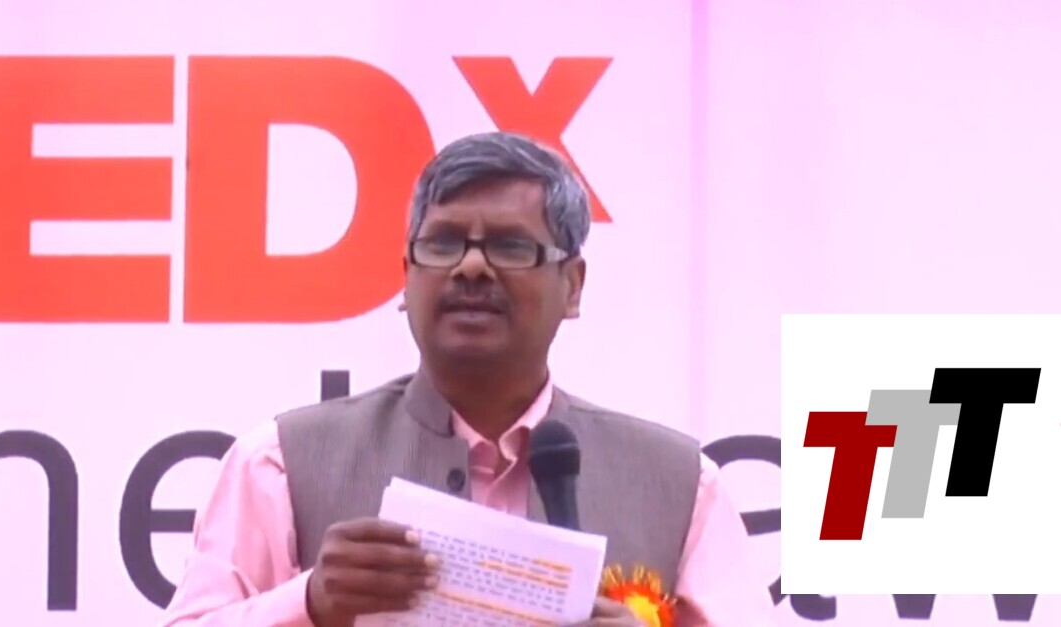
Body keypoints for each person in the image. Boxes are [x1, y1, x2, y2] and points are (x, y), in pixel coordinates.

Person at [161, 132, 775, 626]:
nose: (471, 267)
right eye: (443, 244)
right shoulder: (280, 464)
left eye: (510, 247)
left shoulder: (680, 486)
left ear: (573, 286)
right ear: (406, 280)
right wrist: (310, 603)